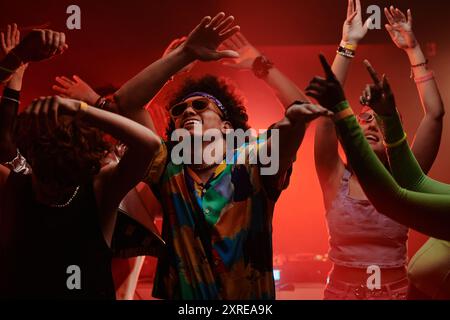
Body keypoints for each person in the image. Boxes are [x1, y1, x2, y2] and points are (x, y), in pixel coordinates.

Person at [111, 12, 331, 299]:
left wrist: (259, 66)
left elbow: (301, 109)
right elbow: (126, 101)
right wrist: (181, 57)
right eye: (179, 110)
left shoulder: (252, 163)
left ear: (227, 126)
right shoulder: (168, 167)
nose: (188, 111)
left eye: (201, 105)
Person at [313, 2, 444, 300]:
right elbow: (324, 114)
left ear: (392, 131)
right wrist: (347, 44)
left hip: (397, 294)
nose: (370, 123)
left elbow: (435, 114)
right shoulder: (334, 176)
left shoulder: (406, 178)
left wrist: (413, 50)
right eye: (362, 119)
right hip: (340, 294)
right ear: (349, 133)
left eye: (378, 119)